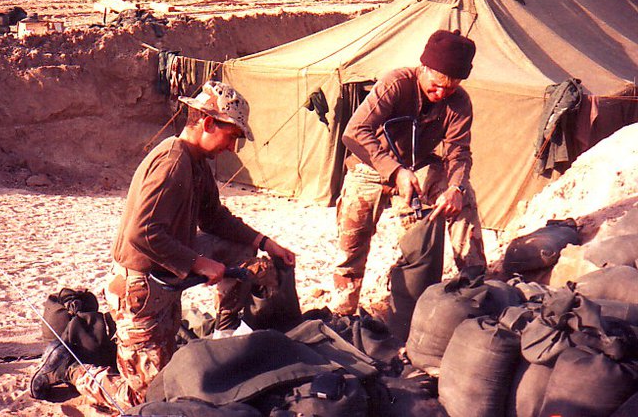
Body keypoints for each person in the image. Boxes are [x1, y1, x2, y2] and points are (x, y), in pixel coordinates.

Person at [30, 81, 296, 410]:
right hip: (139, 290)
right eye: (231, 136)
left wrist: (265, 243)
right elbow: (142, 233)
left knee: (171, 378)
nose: (232, 148)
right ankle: (70, 369)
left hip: (164, 282)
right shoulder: (173, 162)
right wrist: (200, 263)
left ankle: (223, 332)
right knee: (146, 400)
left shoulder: (196, 161)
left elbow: (214, 218)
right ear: (209, 123)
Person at [331, 29, 486, 316]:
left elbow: (459, 153)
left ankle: (474, 285)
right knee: (351, 248)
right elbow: (354, 132)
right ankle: (343, 314)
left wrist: (455, 189)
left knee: (462, 198)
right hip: (370, 166)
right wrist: (395, 171)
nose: (441, 94)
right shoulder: (397, 83)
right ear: (423, 68)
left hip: (419, 168)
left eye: (450, 89)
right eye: (437, 85)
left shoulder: (459, 102)